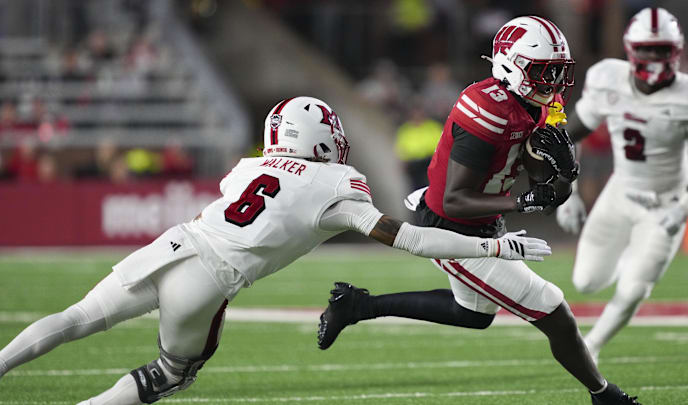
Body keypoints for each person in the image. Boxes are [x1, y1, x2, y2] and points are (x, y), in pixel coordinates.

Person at [0, 96, 552, 404]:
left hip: (171, 244)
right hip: (210, 278)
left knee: (76, 318)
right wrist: (499, 248)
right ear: (321, 139)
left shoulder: (250, 165)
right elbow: (410, 239)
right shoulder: (339, 182)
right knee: (172, 374)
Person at [317, 16, 641, 405]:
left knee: (473, 314)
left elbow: (546, 188)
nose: (553, 82)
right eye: (543, 71)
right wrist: (523, 201)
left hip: (483, 221)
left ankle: (357, 305)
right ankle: (605, 396)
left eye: (558, 72)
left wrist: (563, 172)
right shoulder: (486, 108)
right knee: (554, 311)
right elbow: (457, 198)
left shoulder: (536, 102)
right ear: (511, 64)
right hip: (450, 228)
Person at [554, 8, 688, 362]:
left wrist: (684, 206)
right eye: (648, 48)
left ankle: (590, 347)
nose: (655, 58)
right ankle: (634, 253)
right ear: (630, 49)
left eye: (662, 49)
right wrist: (567, 192)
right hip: (620, 192)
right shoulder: (608, 80)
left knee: (633, 288)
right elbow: (570, 135)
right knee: (586, 282)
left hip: (666, 204)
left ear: (677, 50)